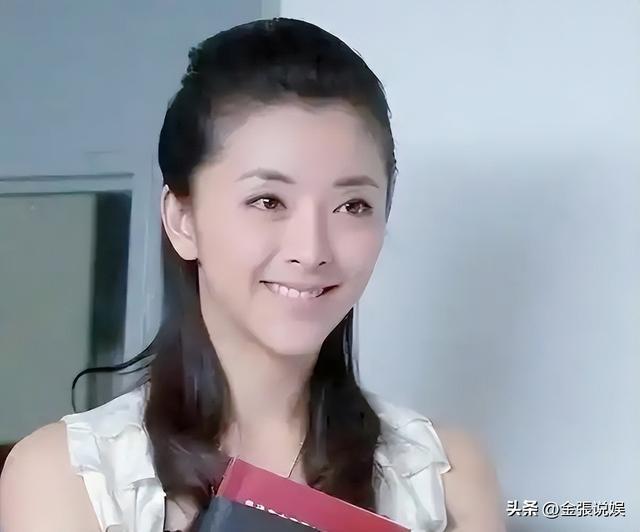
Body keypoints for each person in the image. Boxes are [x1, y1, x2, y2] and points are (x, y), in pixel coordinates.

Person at [0, 18, 505, 532]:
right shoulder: (69, 478)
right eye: (268, 201)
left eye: (353, 205)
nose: (311, 251)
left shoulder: (444, 478)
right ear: (183, 220)